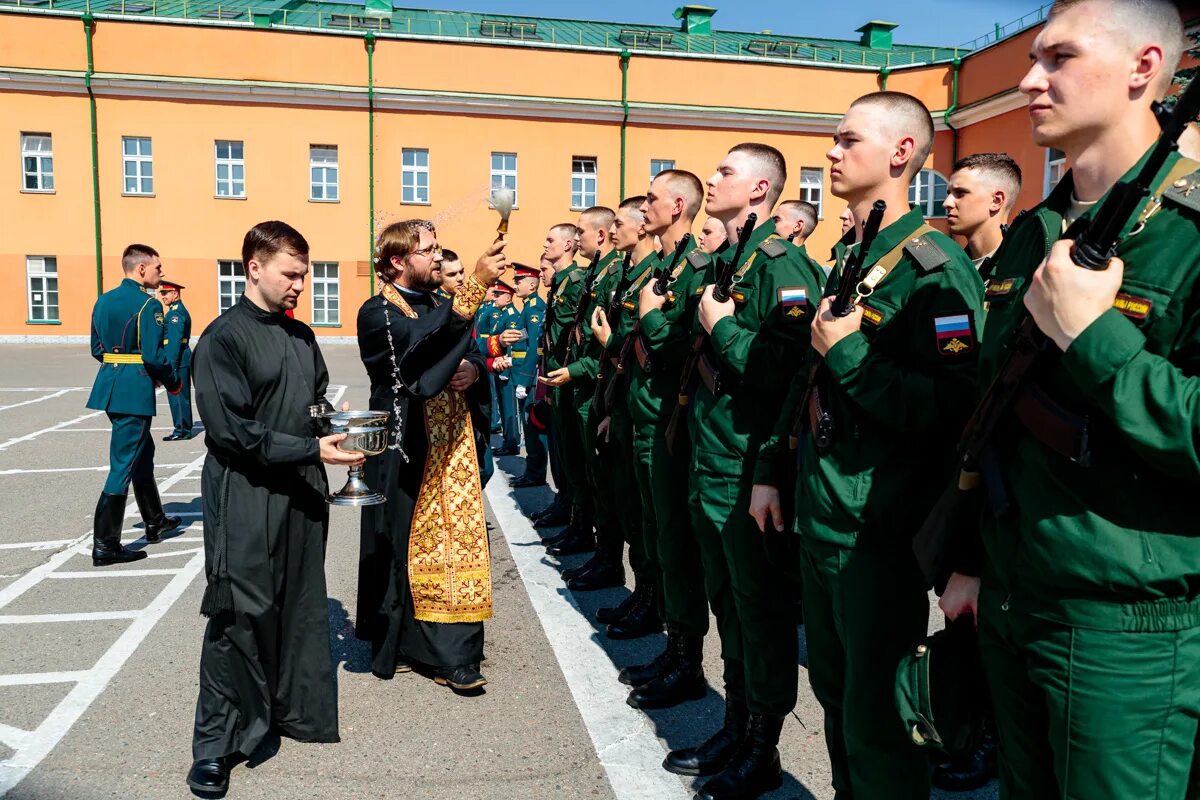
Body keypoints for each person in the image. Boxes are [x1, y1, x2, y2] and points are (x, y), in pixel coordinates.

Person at [939, 2, 1200, 797]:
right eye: (1031, 59)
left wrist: (1094, 338)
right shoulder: (1034, 231)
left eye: (1058, 58)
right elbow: (995, 416)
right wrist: (972, 560)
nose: (1027, 79)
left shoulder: (1189, 231)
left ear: (1142, 68)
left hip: (1127, 626)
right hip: (1016, 599)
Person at [753, 91, 985, 800]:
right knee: (834, 698)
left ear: (901, 153)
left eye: (847, 140)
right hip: (823, 513)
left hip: (875, 531)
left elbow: (954, 408)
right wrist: (769, 468)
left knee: (879, 723)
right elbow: (808, 375)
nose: (830, 152)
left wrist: (853, 355)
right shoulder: (850, 255)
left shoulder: (934, 269)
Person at [660, 143, 824, 800]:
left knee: (760, 612)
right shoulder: (732, 260)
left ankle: (765, 746)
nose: (713, 178)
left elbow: (789, 371)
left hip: (747, 466)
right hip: (712, 459)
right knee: (728, 604)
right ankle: (735, 721)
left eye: (726, 171)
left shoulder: (785, 270)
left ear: (759, 190)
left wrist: (722, 330)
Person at [186, 221, 362, 795]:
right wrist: (311, 447)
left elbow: (313, 401)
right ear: (254, 267)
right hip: (246, 490)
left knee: (300, 599)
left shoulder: (302, 336)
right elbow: (232, 430)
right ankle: (215, 746)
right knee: (239, 610)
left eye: (305, 276)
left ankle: (291, 712)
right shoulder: (222, 339)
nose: (300, 285)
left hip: (302, 490)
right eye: (291, 274)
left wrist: (339, 433)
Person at [355, 220, 506, 693]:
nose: (437, 258)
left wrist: (473, 372)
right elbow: (415, 347)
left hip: (450, 441)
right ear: (399, 261)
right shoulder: (376, 311)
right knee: (397, 542)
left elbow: (468, 348)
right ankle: (398, 641)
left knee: (451, 542)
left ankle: (454, 655)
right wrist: (476, 285)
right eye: (428, 250)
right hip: (403, 443)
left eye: (439, 248)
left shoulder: (444, 303)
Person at [622, 169, 711, 709]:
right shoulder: (660, 266)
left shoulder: (695, 269)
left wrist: (651, 320)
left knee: (676, 545)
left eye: (651, 198)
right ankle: (675, 647)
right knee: (658, 535)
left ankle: (689, 660)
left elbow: (682, 345)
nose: (643, 206)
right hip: (646, 413)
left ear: (677, 206)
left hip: (671, 424)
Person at [589, 196, 660, 637]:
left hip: (651, 412)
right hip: (624, 403)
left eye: (619, 223)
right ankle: (643, 594)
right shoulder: (629, 277)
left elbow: (643, 352)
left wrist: (610, 340)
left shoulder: (654, 276)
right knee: (636, 516)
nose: (612, 231)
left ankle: (654, 605)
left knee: (653, 524)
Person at [542, 207, 623, 589]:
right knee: (580, 469)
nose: (577, 238)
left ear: (601, 235)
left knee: (600, 480)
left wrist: (575, 371)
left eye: (581, 231)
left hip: (593, 388)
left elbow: (607, 345)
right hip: (575, 382)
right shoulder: (593, 274)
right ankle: (584, 535)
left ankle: (606, 558)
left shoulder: (610, 275)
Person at [86, 244, 182, 567]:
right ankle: (106, 543)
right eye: (157, 267)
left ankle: (154, 520)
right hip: (134, 390)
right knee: (123, 463)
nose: (161, 273)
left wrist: (122, 365)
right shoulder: (147, 305)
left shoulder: (103, 300)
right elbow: (155, 356)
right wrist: (172, 381)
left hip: (112, 385)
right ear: (141, 269)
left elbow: (97, 349)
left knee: (142, 453)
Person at [532, 228, 585, 531]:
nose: (544, 243)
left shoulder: (576, 283)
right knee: (562, 455)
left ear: (567, 245)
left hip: (569, 381)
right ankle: (565, 507)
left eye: (550, 240)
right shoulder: (561, 284)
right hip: (556, 379)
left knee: (574, 461)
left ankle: (577, 520)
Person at [944, 153, 1023, 271]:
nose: (946, 203)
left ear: (996, 201)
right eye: (949, 193)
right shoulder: (950, 270)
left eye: (960, 193)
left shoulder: (1025, 270)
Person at [509, 264, 549, 487]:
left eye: (519, 281)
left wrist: (524, 379)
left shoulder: (534, 309)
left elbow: (535, 346)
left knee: (532, 425)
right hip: (521, 370)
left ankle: (535, 473)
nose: (516, 285)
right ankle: (532, 470)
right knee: (528, 425)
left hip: (529, 375)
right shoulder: (527, 306)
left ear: (532, 285)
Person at [485, 280, 522, 456]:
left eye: (499, 295)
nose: (495, 297)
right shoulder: (502, 314)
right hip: (498, 367)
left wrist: (507, 366)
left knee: (509, 408)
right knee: (503, 404)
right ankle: (508, 440)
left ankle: (512, 441)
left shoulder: (511, 316)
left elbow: (514, 344)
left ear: (508, 298)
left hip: (506, 368)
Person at [159, 280, 194, 441]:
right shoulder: (177, 311)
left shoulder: (175, 314)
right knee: (180, 394)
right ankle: (183, 427)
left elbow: (174, 342)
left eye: (166, 293)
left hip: (177, 358)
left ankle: (182, 430)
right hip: (181, 357)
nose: (163, 296)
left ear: (175, 294)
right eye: (162, 293)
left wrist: (170, 365)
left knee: (178, 394)